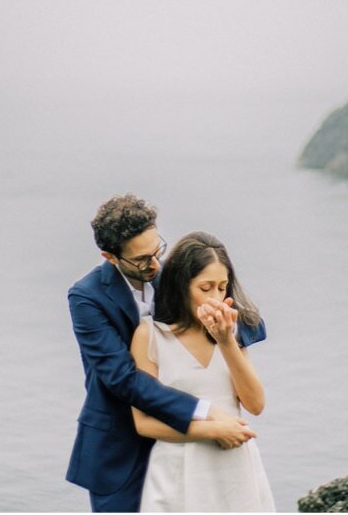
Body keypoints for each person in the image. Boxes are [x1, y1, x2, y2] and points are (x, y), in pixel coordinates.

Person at [65, 194, 267, 512]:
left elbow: (226, 305)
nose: (155, 264)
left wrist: (233, 330)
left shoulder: (171, 278)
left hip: (192, 452)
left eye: (157, 249)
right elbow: (122, 378)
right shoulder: (86, 297)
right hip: (121, 446)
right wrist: (205, 411)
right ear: (110, 256)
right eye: (142, 259)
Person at [130, 232, 275, 512]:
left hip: (234, 469)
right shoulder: (149, 336)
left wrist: (225, 341)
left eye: (222, 287)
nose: (216, 297)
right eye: (205, 287)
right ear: (181, 287)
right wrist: (212, 430)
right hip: (178, 471)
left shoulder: (231, 331)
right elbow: (144, 423)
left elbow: (255, 404)